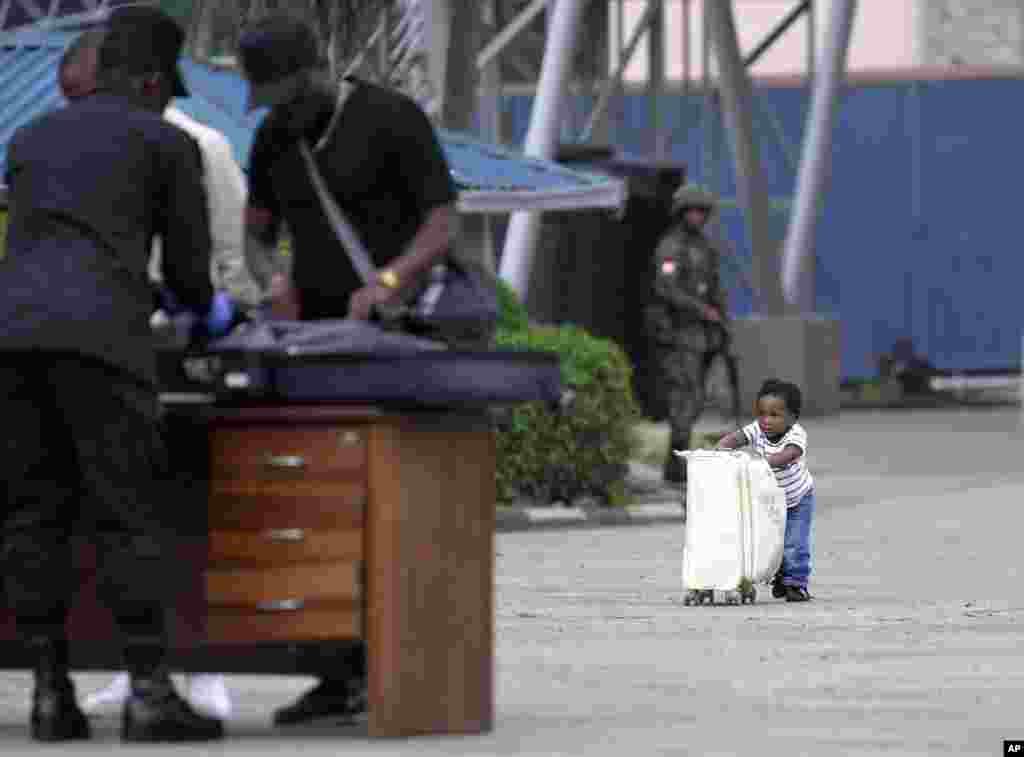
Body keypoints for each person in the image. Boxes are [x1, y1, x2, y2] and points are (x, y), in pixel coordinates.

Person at [0, 6, 234, 742]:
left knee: (34, 513)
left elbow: (53, 243)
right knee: (126, 514)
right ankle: (149, 693)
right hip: (103, 344)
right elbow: (193, 276)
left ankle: (49, 693)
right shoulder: (165, 142)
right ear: (152, 79)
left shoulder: (28, 139)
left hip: (14, 341)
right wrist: (207, 311)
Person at [236, 14, 468, 727]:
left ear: (315, 70)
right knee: (315, 508)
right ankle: (332, 674)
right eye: (266, 97)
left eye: (282, 92)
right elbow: (256, 229)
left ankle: (404, 668)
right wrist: (270, 276)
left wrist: (390, 281)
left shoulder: (391, 118)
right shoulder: (276, 135)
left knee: (385, 508)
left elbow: (443, 220)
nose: (276, 108)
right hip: (316, 345)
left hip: (393, 338)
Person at [56, 27, 263, 720]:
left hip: (179, 347)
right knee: (116, 515)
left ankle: (201, 671)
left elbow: (225, 262)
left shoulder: (200, 146)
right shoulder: (72, 142)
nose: (73, 107)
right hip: (110, 349)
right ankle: (134, 664)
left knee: (187, 510)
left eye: (79, 92)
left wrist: (214, 319)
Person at [645, 183, 730, 485]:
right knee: (684, 398)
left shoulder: (705, 248)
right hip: (677, 336)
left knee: (694, 400)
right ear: (681, 212)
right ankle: (676, 466)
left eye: (701, 211)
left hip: (701, 337)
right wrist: (701, 310)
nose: (696, 216)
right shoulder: (672, 247)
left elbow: (716, 287)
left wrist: (722, 323)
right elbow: (666, 288)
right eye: (691, 210)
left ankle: (677, 463)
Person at [716, 379, 815, 602]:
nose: (766, 420)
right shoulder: (757, 429)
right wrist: (721, 449)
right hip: (769, 499)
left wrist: (761, 463)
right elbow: (735, 438)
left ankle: (796, 583)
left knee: (795, 542)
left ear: (792, 417)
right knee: (768, 541)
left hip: (797, 499)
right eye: (761, 413)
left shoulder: (796, 435)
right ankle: (779, 575)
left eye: (774, 415)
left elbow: (786, 456)